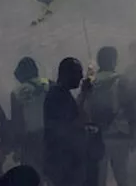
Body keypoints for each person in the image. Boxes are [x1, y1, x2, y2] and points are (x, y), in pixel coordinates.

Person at [83, 46, 136, 186]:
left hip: (97, 137)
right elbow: (130, 106)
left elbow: (84, 108)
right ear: (114, 60)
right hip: (119, 134)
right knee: (122, 176)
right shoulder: (121, 80)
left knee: (99, 178)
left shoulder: (90, 82)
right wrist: (133, 133)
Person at [45, 57, 90, 186]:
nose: (81, 77)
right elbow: (69, 124)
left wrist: (84, 93)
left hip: (66, 160)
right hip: (63, 161)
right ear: (66, 74)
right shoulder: (57, 94)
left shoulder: (62, 93)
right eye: (77, 72)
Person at [10, 56, 51, 171]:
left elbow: (17, 121)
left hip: (31, 139)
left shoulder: (17, 92)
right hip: (52, 134)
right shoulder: (48, 83)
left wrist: (17, 146)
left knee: (34, 174)